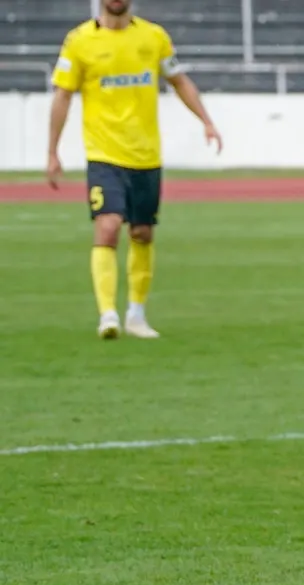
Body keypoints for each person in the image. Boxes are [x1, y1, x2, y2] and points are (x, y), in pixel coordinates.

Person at [47, 0, 223, 340]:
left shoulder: (154, 37)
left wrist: (206, 121)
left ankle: (136, 315)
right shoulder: (79, 41)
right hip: (104, 155)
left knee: (142, 233)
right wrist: (52, 151)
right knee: (108, 226)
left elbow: (179, 80)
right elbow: (63, 95)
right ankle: (107, 314)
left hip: (145, 156)